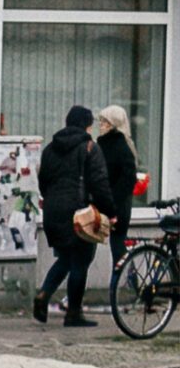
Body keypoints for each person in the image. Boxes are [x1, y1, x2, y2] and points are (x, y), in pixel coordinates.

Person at [34, 105, 117, 328]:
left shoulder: (50, 149)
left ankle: (43, 294)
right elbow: (100, 185)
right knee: (81, 260)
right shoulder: (90, 147)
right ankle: (73, 313)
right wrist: (110, 212)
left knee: (66, 259)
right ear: (87, 125)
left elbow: (43, 182)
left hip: (53, 211)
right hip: (80, 213)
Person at [97, 104, 138, 269]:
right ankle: (131, 282)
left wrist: (112, 203)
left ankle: (128, 284)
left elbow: (128, 179)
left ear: (112, 125)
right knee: (118, 247)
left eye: (104, 122)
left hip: (116, 207)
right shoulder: (117, 145)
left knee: (118, 248)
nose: (100, 125)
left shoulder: (118, 147)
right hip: (112, 204)